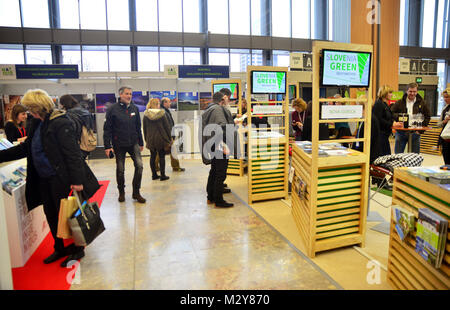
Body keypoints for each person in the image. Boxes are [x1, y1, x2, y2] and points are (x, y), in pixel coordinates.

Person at [0, 89, 100, 267]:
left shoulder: (60, 122)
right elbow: (27, 148)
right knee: (51, 213)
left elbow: (73, 154)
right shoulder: (35, 123)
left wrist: (77, 181)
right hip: (43, 177)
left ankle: (77, 249)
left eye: (31, 108)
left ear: (39, 107)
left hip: (61, 178)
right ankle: (59, 247)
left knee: (68, 215)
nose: (29, 112)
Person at [103, 86, 146, 203]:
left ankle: (136, 193)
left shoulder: (134, 108)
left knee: (140, 166)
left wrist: (141, 142)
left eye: (130, 94)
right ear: (120, 95)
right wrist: (107, 146)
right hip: (119, 144)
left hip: (133, 143)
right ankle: (121, 192)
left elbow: (138, 127)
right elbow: (107, 129)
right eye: (127, 94)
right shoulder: (112, 109)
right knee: (120, 169)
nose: (129, 96)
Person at [202, 92, 235, 208]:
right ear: (222, 99)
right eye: (226, 99)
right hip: (219, 144)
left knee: (214, 170)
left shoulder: (210, 109)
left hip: (212, 143)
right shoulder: (218, 110)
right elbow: (221, 127)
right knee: (220, 173)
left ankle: (210, 197)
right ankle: (218, 200)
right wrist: (223, 145)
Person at [391, 82, 431, 154]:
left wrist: (420, 131)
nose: (412, 93)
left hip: (415, 133)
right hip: (401, 132)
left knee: (415, 157)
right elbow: (391, 113)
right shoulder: (400, 102)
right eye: (410, 91)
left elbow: (427, 116)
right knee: (398, 156)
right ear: (407, 91)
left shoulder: (422, 103)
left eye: (414, 91)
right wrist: (399, 118)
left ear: (417, 91)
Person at [143, 98, 171, 181]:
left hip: (150, 139)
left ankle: (154, 175)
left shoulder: (146, 115)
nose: (159, 105)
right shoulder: (162, 114)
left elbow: (144, 128)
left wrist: (146, 139)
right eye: (158, 104)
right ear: (156, 104)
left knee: (152, 156)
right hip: (161, 138)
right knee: (162, 157)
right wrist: (169, 138)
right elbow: (167, 127)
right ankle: (162, 175)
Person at [59, 94, 95, 159]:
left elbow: (72, 130)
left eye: (61, 104)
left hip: (77, 145)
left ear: (64, 104)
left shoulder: (70, 114)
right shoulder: (85, 112)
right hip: (87, 142)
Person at [373, 85, 402, 156]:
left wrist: (394, 122)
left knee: (387, 155)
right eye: (390, 93)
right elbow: (378, 119)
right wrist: (391, 124)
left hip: (385, 135)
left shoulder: (385, 104)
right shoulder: (379, 104)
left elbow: (388, 117)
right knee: (384, 156)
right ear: (384, 93)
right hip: (380, 136)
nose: (391, 95)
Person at [159, 97, 185, 172]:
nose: (170, 103)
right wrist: (170, 135)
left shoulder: (165, 111)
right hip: (167, 135)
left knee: (160, 152)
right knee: (171, 151)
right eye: (169, 102)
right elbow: (166, 125)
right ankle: (176, 167)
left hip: (167, 134)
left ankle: (156, 167)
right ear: (164, 103)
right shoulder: (163, 111)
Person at [438, 88, 450, 164]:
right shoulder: (444, 109)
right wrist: (444, 121)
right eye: (444, 97)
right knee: (447, 161)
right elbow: (438, 124)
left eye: (447, 97)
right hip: (445, 139)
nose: (445, 99)